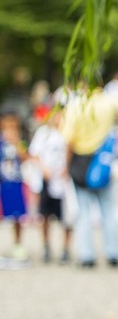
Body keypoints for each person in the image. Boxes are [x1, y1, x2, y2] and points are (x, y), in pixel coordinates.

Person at [62, 70, 118, 268]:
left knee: (84, 211)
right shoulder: (108, 101)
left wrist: (65, 165)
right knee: (108, 209)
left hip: (80, 161)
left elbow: (68, 140)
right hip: (103, 161)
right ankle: (113, 252)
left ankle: (86, 254)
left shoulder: (76, 105)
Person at [27, 108, 74, 263]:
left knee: (67, 216)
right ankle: (46, 245)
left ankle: (66, 248)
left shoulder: (69, 133)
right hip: (47, 180)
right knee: (45, 214)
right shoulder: (43, 133)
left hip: (64, 181)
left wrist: (67, 168)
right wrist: (43, 168)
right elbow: (33, 154)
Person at [0, 109, 29, 260]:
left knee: (18, 215)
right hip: (2, 183)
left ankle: (17, 244)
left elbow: (25, 158)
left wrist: (16, 143)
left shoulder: (19, 141)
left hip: (16, 182)